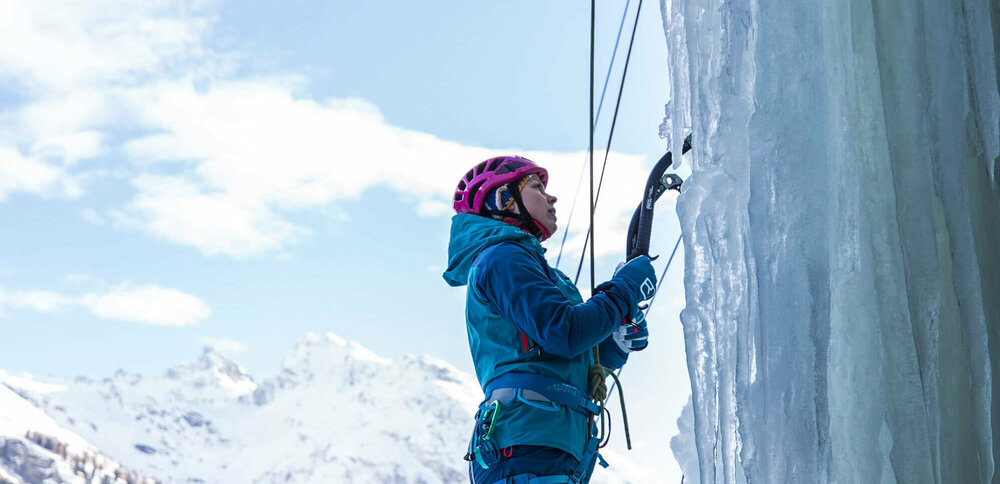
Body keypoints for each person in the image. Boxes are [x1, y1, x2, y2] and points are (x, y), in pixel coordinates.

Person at [443, 155, 657, 484]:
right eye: (537, 187)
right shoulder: (503, 257)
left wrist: (612, 346)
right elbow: (564, 332)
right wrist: (623, 292)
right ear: (503, 199)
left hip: (542, 444)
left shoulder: (527, 266)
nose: (551, 197)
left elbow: (565, 354)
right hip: (530, 442)